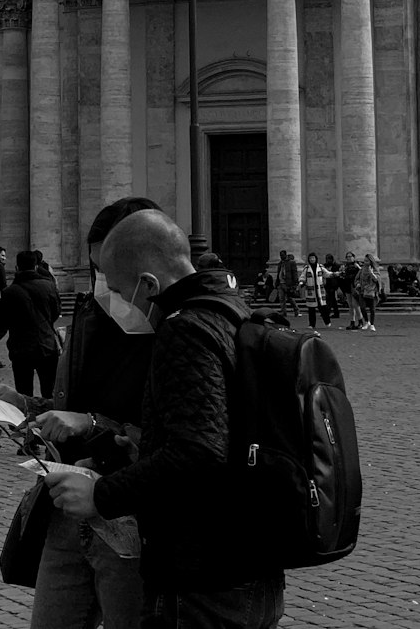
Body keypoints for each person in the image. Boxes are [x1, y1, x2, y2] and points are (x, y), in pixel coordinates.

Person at [43, 209, 285, 629]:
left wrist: (101, 494)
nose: (115, 300)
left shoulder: (183, 329)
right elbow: (222, 434)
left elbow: (198, 454)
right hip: (251, 558)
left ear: (148, 285)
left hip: (203, 569)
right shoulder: (232, 310)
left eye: (118, 290)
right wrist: (147, 447)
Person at [0, 196, 162, 629]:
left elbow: (185, 436)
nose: (106, 284)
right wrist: (24, 404)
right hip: (66, 508)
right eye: (96, 271)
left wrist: (94, 424)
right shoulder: (89, 315)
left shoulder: (177, 329)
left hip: (129, 512)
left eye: (111, 272)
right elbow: (69, 408)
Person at [0, 250, 61, 397]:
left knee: (24, 394)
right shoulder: (49, 286)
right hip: (47, 345)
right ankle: (48, 418)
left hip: (21, 348)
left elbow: (1, 319)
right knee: (50, 393)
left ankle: (28, 419)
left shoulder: (10, 292)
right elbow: (56, 312)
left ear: (17, 268)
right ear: (36, 267)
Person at [300, 252, 330, 330]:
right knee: (311, 309)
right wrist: (301, 282)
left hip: (320, 290)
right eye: (310, 258)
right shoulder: (306, 268)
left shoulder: (320, 267)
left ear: (316, 258)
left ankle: (327, 321)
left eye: (313, 258)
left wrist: (336, 274)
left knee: (323, 307)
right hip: (311, 291)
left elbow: (327, 274)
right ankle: (312, 324)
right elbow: (302, 277)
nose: (312, 259)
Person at [355, 254, 380, 331]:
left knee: (372, 308)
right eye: (364, 261)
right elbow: (357, 278)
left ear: (370, 261)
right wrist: (358, 283)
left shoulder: (375, 269)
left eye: (367, 261)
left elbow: (377, 280)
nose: (365, 262)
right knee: (362, 307)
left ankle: (372, 324)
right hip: (362, 290)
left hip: (371, 291)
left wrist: (371, 273)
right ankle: (366, 322)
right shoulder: (362, 269)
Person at [275, 250, 299, 318]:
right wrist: (277, 282)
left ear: (285, 255)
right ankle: (283, 312)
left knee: (289, 298)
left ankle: (296, 309)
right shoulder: (280, 263)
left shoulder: (291, 263)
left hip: (288, 283)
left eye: (282, 255)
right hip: (281, 283)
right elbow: (278, 273)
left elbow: (294, 273)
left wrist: (295, 283)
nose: (281, 256)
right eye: (280, 255)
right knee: (281, 298)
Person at [341, 251, 362, 330]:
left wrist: (358, 267)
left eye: (350, 256)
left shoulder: (357, 265)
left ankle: (360, 321)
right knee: (350, 305)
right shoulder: (345, 266)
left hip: (355, 287)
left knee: (355, 305)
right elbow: (342, 276)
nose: (349, 258)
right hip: (347, 286)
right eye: (347, 257)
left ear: (354, 257)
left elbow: (362, 273)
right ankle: (352, 322)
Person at [322, 253, 341, 321]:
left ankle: (328, 312)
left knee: (330, 299)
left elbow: (337, 276)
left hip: (333, 284)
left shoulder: (336, 266)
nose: (327, 260)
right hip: (327, 284)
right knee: (332, 300)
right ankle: (336, 313)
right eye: (327, 259)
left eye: (329, 259)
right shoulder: (324, 266)